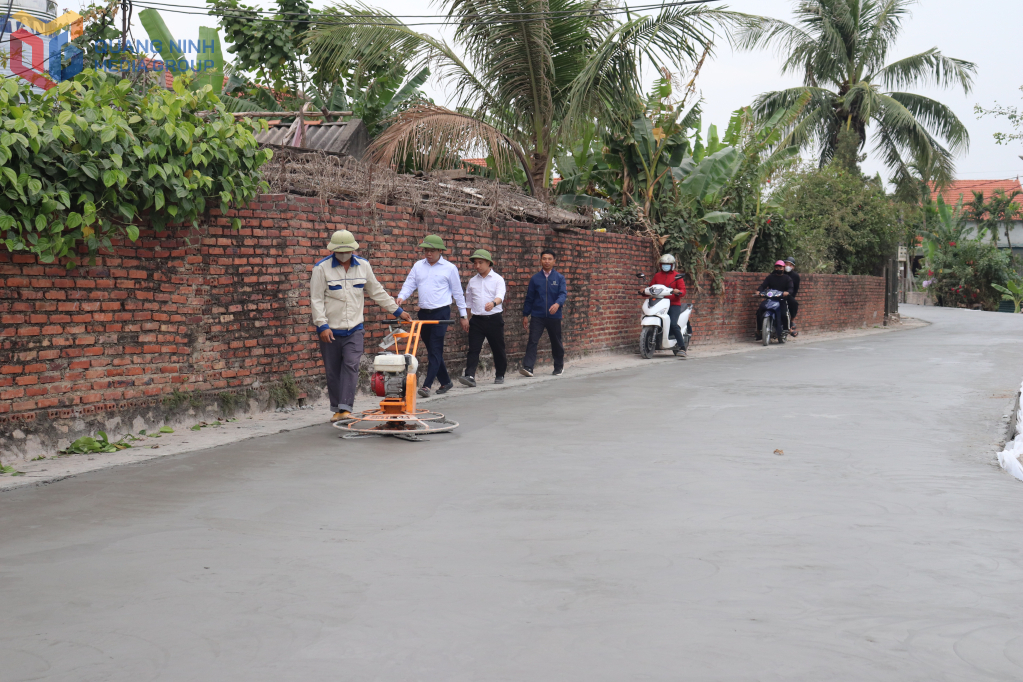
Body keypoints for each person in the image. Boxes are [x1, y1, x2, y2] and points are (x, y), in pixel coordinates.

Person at [310, 230, 411, 423]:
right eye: (339, 251)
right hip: (330, 329)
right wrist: (322, 326)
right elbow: (316, 299)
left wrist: (397, 311)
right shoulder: (321, 269)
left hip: (355, 329)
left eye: (347, 250)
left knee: (351, 365)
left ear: (353, 249)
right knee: (332, 370)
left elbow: (377, 291)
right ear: (333, 251)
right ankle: (337, 408)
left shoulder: (363, 266)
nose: (343, 254)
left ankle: (346, 407)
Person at [397, 235, 469, 398]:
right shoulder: (418, 266)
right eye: (426, 250)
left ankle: (426, 386)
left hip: (441, 313)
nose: (428, 253)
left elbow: (458, 293)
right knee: (432, 350)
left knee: (435, 348)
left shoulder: (449, 268)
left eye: (431, 251)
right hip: (424, 313)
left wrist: (463, 315)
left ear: (439, 251)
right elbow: (410, 284)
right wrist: (402, 296)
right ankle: (446, 381)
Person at [459, 248, 508, 387]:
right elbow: (468, 302)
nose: (477, 266)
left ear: (488, 263)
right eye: (475, 263)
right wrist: (466, 318)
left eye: (480, 262)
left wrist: (493, 303)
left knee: (498, 348)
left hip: (494, 318)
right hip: (477, 320)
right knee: (474, 348)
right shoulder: (472, 281)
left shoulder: (498, 279)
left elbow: (500, 297)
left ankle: (500, 374)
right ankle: (469, 375)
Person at [520, 248, 568, 377]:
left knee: (556, 341)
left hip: (554, 315)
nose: (547, 261)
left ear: (554, 261)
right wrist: (525, 315)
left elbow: (563, 294)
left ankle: (558, 367)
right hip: (537, 315)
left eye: (549, 259)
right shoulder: (535, 279)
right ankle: (528, 368)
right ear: (541, 260)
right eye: (544, 259)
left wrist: (557, 304)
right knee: (533, 340)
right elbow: (529, 298)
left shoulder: (559, 278)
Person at [641, 253, 688, 355]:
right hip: (659, 302)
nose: (665, 266)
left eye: (668, 264)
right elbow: (651, 288)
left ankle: (682, 347)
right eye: (663, 264)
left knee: (673, 324)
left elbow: (683, 290)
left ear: (672, 265)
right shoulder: (657, 275)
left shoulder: (677, 276)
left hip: (673, 304)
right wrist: (644, 291)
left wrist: (678, 291)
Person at [755, 260, 793, 340]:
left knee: (784, 313)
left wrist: (787, 292)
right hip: (770, 299)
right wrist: (759, 291)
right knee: (759, 312)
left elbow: (790, 288)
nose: (778, 268)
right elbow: (763, 285)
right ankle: (758, 330)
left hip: (781, 299)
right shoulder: (770, 277)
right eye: (777, 267)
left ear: (783, 268)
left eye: (780, 267)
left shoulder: (787, 278)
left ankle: (786, 329)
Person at [784, 256, 800, 336]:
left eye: (790, 265)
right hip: (778, 294)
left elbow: (796, 288)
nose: (787, 266)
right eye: (786, 264)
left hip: (788, 294)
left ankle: (792, 320)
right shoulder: (779, 272)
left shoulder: (795, 276)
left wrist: (791, 296)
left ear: (793, 267)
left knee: (794, 303)